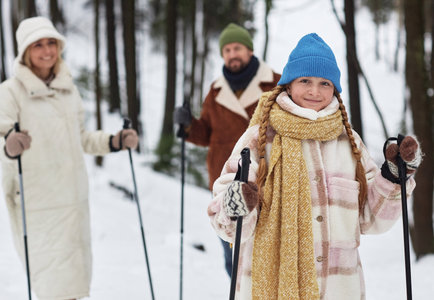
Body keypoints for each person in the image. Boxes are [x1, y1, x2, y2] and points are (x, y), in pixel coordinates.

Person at [208, 33, 422, 299]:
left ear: (335, 89)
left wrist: (393, 177)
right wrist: (235, 204)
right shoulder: (260, 139)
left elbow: (370, 220)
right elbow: (226, 225)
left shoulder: (348, 142)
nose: (314, 91)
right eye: (305, 81)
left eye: (325, 83)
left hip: (339, 290)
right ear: (287, 85)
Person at [0, 17, 138, 300]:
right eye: (38, 45)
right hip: (38, 206)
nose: (46, 51)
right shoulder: (11, 92)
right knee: (53, 289)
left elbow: (80, 138)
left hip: (73, 204)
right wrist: (8, 145)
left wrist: (114, 141)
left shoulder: (68, 88)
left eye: (51, 43)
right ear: (25, 52)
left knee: (76, 287)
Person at [173, 23, 281, 277]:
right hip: (226, 187)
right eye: (227, 50)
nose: (232, 54)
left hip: (267, 185)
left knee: (266, 262)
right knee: (232, 260)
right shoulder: (216, 91)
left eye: (238, 48)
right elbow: (208, 134)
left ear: (250, 50)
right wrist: (188, 126)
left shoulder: (275, 83)